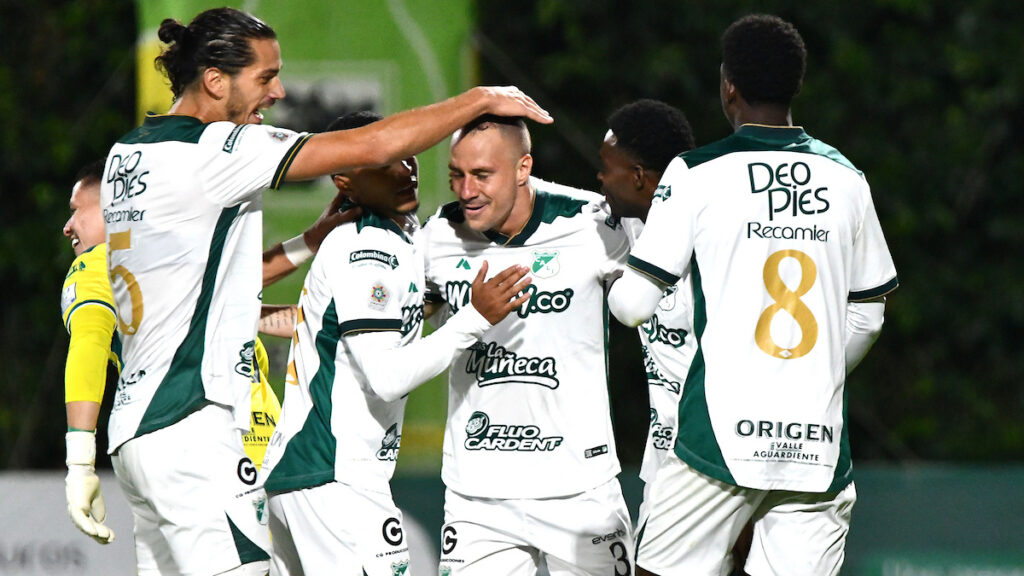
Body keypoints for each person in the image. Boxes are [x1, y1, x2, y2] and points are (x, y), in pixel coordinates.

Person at [99, 6, 549, 574]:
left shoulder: (129, 155)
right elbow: (372, 145)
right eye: (265, 78)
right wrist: (478, 99)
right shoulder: (213, 154)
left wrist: (309, 242)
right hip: (194, 424)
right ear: (216, 80)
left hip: (136, 433)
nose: (279, 91)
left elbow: (207, 283)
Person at [607, 15, 898, 576]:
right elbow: (869, 314)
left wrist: (615, 280)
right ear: (796, 86)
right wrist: (812, 375)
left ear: (728, 85)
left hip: (716, 439)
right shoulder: (847, 179)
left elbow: (636, 305)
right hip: (816, 444)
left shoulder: (695, 173)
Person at [258, 111, 531, 576]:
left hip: (307, 477)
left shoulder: (396, 239)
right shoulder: (369, 251)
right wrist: (473, 317)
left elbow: (333, 327)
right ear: (344, 179)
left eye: (406, 155)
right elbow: (386, 378)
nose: (405, 170)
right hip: (335, 477)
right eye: (384, 162)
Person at [60, 157, 354, 546]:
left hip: (236, 461)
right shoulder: (98, 264)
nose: (67, 227)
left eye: (76, 211)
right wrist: (79, 460)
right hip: (215, 457)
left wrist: (356, 311)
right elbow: (88, 345)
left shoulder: (166, 267)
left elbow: (245, 302)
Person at [421, 115, 633, 575]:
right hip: (476, 496)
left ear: (523, 168)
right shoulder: (438, 235)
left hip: (580, 490)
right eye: (457, 175)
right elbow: (389, 325)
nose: (466, 190)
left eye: (482, 175)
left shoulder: (592, 223)